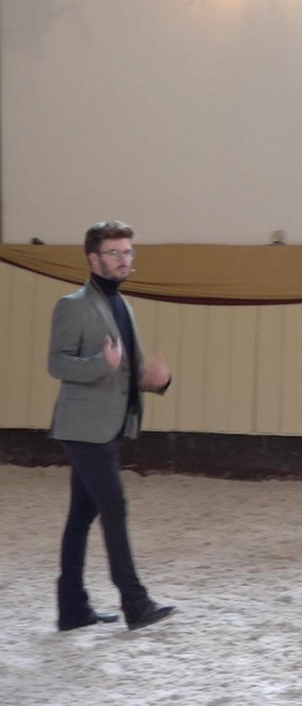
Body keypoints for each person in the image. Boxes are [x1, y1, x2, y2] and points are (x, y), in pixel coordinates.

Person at [50, 221, 176, 632]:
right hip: (83, 426)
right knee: (114, 507)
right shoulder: (73, 305)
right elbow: (58, 363)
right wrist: (98, 365)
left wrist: (155, 381)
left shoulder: (124, 306)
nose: (124, 260)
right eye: (115, 253)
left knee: (81, 516)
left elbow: (127, 371)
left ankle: (72, 609)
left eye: (128, 253)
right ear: (93, 258)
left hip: (108, 425)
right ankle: (135, 603)